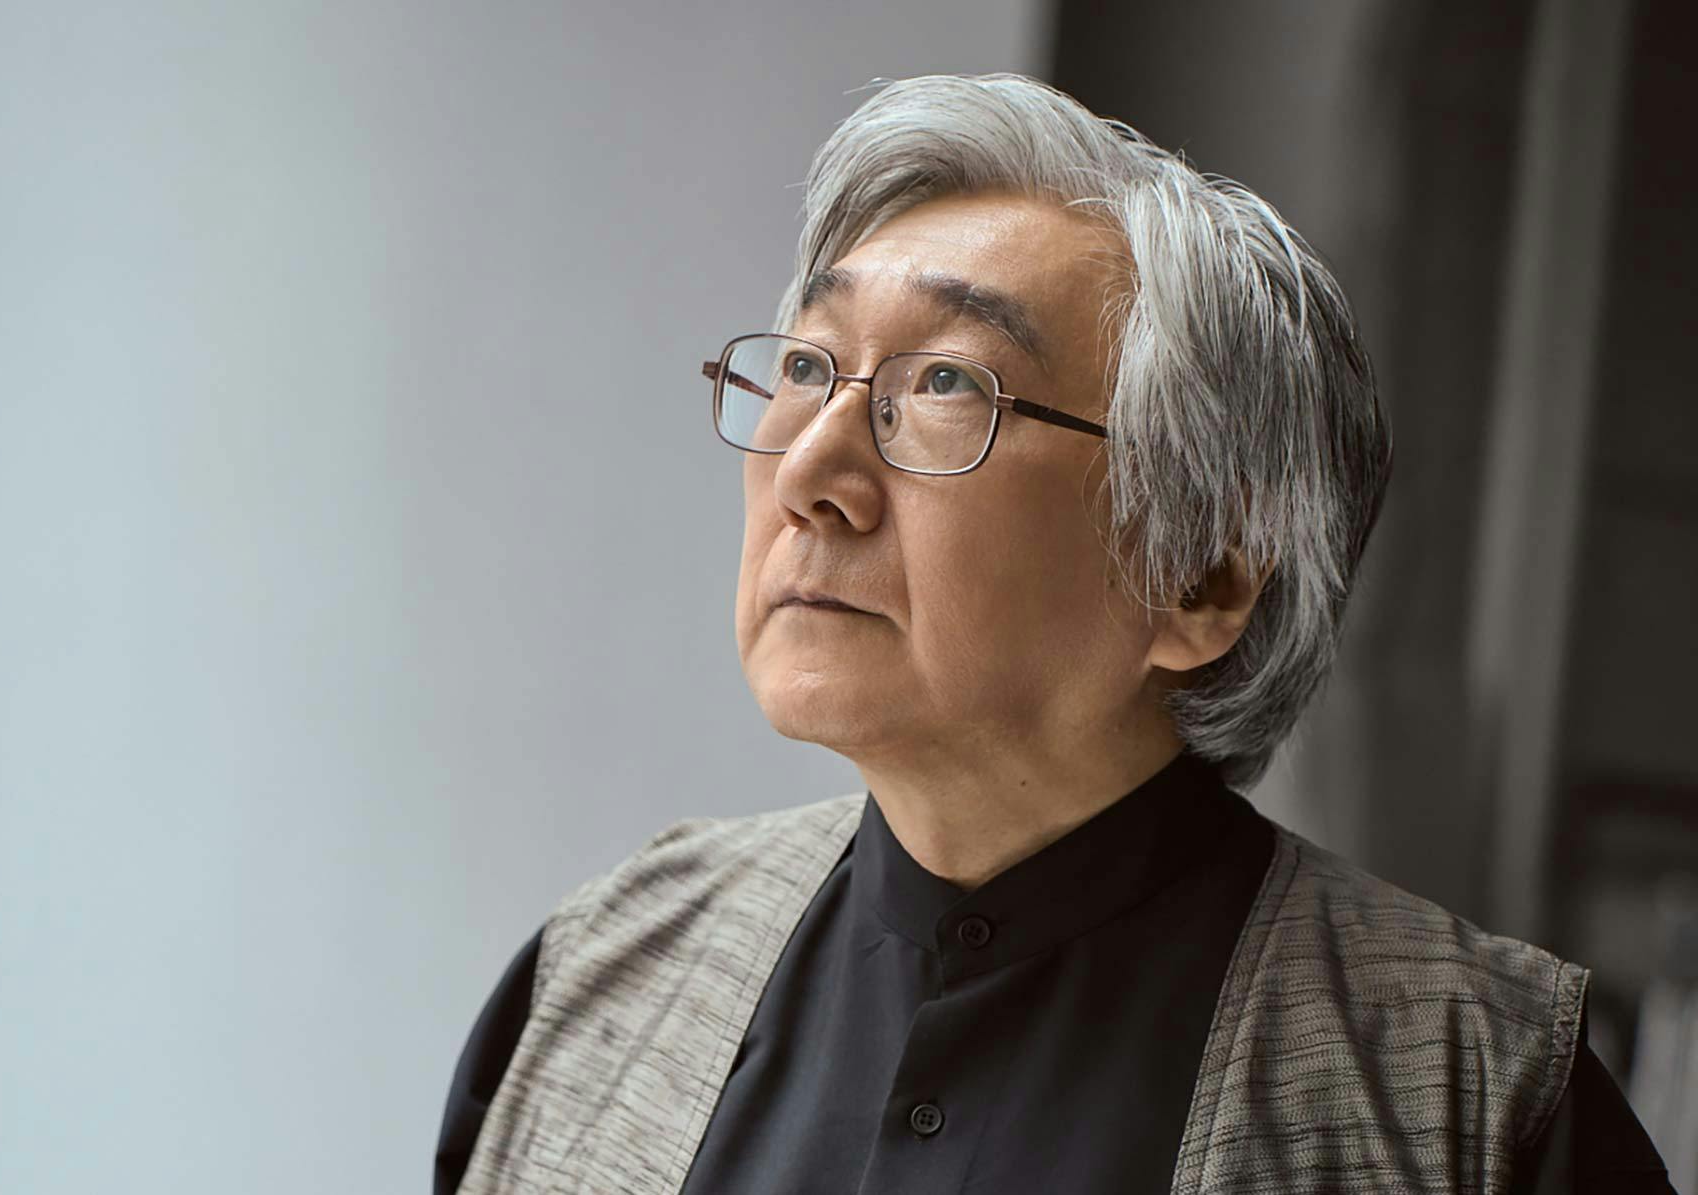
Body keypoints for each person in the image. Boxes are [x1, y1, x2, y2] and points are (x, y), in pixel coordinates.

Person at [435, 73, 1674, 1193]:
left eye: (945, 384)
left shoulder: (1475, 1098)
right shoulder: (602, 973)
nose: (810, 471)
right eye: (808, 366)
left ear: (1201, 577)